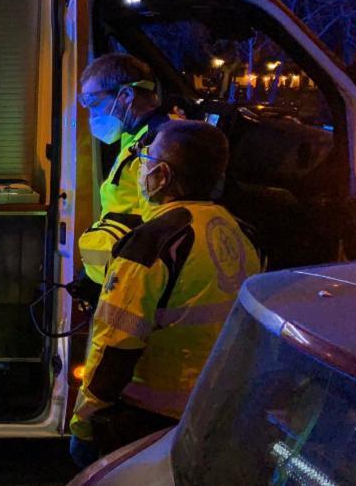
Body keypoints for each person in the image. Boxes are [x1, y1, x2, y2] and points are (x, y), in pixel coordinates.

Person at [69, 121, 263, 468]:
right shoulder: (238, 233)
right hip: (214, 411)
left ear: (161, 176)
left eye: (146, 158)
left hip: (149, 420)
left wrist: (83, 423)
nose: (141, 166)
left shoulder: (152, 243)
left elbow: (115, 346)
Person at [75, 54, 174, 299]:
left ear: (126, 97)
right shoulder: (135, 136)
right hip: (118, 274)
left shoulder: (156, 149)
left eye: (94, 103)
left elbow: (158, 232)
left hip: (132, 283)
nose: (92, 115)